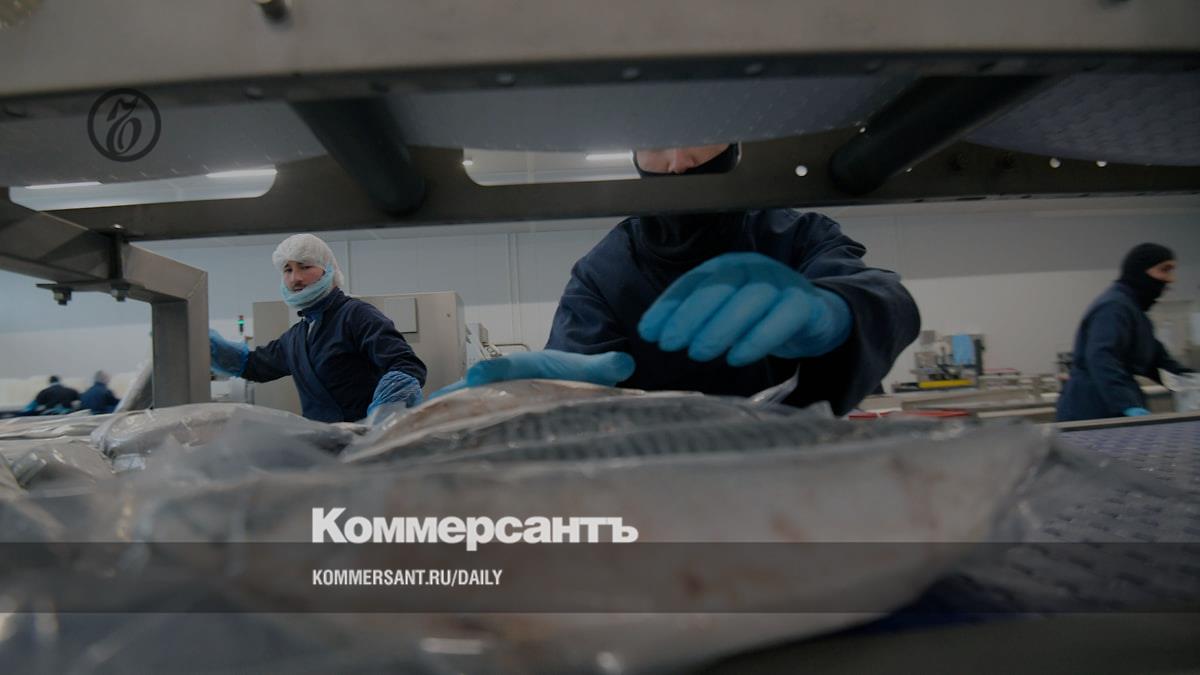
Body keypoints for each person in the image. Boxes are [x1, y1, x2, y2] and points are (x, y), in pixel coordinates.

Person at [434, 144, 920, 415]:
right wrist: (544, 398)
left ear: (735, 140)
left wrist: (833, 313)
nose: (678, 163)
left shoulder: (795, 236)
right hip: (656, 489)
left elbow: (886, 299)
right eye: (657, 143)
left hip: (794, 478)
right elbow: (578, 393)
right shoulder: (604, 271)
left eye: (699, 135)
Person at [208, 233, 427, 423]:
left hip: (367, 441)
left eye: (305, 267)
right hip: (324, 444)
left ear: (328, 270)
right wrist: (206, 345)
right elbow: (254, 365)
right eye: (288, 269)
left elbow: (406, 366)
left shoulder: (356, 315)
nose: (295, 278)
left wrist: (383, 417)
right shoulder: (297, 336)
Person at [1057, 243, 1194, 421]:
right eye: (1164, 270)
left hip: (1112, 405)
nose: (1171, 279)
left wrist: (1189, 380)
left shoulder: (1133, 310)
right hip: (1094, 408)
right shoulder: (1114, 307)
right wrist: (1128, 405)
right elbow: (1102, 358)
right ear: (1140, 270)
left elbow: (1156, 359)